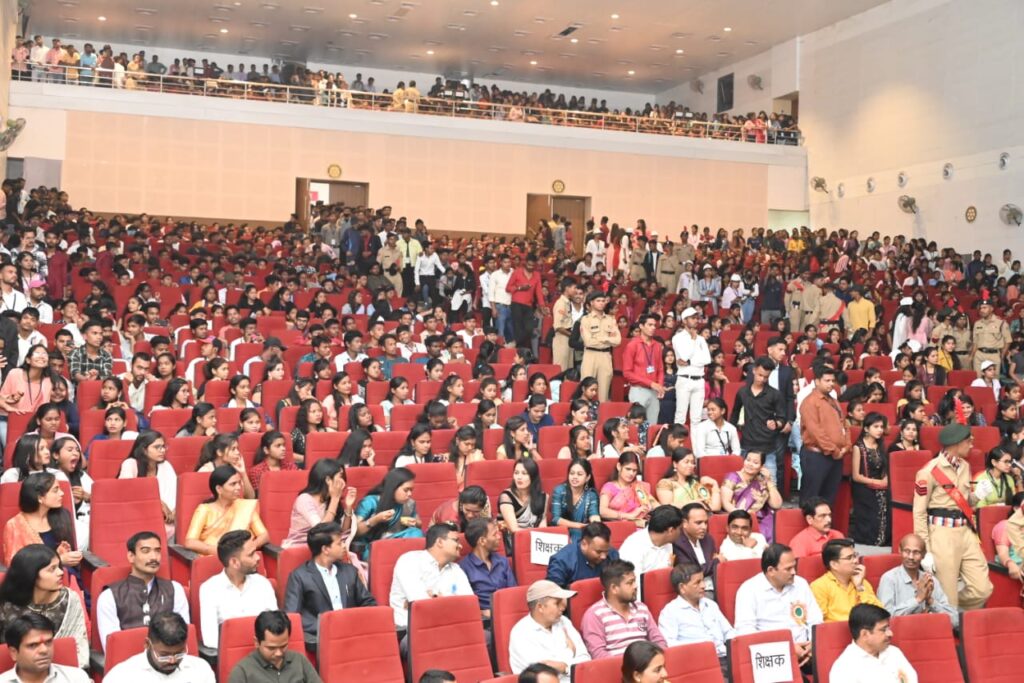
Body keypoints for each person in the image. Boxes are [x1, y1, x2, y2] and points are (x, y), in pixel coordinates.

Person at [912, 422, 993, 609]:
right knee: (948, 594)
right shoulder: (928, 472)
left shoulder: (965, 466)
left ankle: (941, 604)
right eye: (968, 441)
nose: (972, 444)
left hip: (966, 532)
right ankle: (946, 610)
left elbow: (964, 502)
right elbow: (919, 512)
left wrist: (978, 495)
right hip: (942, 534)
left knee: (982, 589)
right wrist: (925, 550)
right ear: (956, 443)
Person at [284, 521, 375, 646]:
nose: (344, 546)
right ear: (325, 549)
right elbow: (293, 616)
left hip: (353, 634)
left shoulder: (350, 571)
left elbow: (369, 603)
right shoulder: (300, 576)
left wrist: (355, 622)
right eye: (339, 543)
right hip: (323, 639)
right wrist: (328, 626)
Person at [734, 543, 823, 670]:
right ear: (771, 571)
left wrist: (813, 644)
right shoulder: (749, 590)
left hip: (807, 653)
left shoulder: (801, 584)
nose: (794, 572)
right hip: (772, 658)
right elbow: (745, 632)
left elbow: (816, 619)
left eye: (794, 567)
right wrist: (788, 648)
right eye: (788, 569)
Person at [96, 531, 189, 652]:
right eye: (146, 551)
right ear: (131, 556)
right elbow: (112, 648)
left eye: (157, 551)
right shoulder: (109, 596)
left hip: (170, 659)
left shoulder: (175, 589)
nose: (154, 557)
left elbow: (184, 636)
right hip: (128, 661)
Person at [0, 545, 88, 667]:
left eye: (59, 566)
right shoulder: (6, 603)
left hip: (63, 671)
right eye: (52, 569)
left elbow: (79, 648)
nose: (61, 572)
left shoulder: (69, 600)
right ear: (31, 574)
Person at [197, 530, 277, 649]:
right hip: (230, 655)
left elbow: (276, 627)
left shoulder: (263, 584)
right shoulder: (209, 589)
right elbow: (211, 639)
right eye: (251, 554)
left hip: (263, 654)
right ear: (234, 562)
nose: (258, 558)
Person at [390, 523, 473, 630]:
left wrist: (437, 601)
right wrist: (451, 603)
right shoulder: (410, 561)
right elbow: (422, 605)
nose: (460, 546)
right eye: (456, 541)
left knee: (485, 635)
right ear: (440, 542)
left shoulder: (456, 569)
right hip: (414, 630)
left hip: (450, 627)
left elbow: (469, 605)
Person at [657, 562, 734, 673]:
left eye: (703, 580)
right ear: (682, 588)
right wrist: (700, 648)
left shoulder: (710, 605)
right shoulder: (670, 612)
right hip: (697, 665)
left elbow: (729, 632)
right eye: (697, 582)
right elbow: (669, 645)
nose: (703, 586)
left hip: (725, 659)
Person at [580, 559, 665, 659]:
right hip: (615, 667)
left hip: (647, 664)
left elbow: (658, 641)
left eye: (634, 581)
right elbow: (598, 654)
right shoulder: (594, 615)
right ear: (614, 588)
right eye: (630, 583)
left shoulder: (641, 608)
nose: (635, 586)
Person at [508, 580, 590, 682]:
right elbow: (544, 675)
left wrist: (564, 667)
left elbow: (585, 659)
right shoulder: (521, 633)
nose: (563, 608)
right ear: (540, 607)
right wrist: (569, 652)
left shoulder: (564, 621)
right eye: (557, 603)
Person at [103, 612, 215, 682]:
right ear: (147, 644)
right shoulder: (121, 676)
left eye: (179, 653)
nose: (172, 661)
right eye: (164, 655)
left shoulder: (201, 670)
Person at [183, 465, 269, 556]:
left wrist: (249, 548)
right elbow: (190, 542)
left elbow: (264, 535)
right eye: (233, 484)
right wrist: (218, 552)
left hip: (242, 559)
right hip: (213, 558)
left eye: (239, 483)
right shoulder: (204, 510)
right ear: (219, 489)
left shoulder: (245, 507)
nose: (238, 487)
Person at [877, 533, 958, 628]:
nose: (911, 557)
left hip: (930, 632)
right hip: (901, 633)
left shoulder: (931, 580)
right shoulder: (889, 579)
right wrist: (917, 600)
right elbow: (884, 619)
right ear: (900, 551)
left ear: (923, 555)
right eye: (907, 551)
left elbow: (955, 621)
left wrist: (930, 601)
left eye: (916, 552)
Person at [730, 357, 788, 483]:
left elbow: (782, 418)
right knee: (742, 485)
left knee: (771, 484)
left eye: (766, 377)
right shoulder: (742, 392)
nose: (762, 379)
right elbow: (734, 414)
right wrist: (730, 434)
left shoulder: (775, 394)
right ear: (754, 370)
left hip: (768, 447)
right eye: (760, 375)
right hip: (746, 445)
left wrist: (776, 424)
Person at [799, 363, 851, 505]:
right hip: (817, 455)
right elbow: (815, 432)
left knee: (829, 498)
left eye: (833, 381)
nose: (831, 384)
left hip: (836, 455)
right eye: (827, 380)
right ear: (817, 381)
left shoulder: (833, 400)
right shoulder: (809, 402)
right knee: (811, 499)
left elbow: (844, 424)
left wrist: (846, 446)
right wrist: (834, 450)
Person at [828, 604, 918, 683]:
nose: (890, 633)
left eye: (888, 628)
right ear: (864, 634)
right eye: (883, 629)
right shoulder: (844, 668)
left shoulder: (894, 652)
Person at [227, 610, 323, 682]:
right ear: (257, 642)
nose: (278, 653)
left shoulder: (299, 660)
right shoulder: (242, 672)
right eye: (271, 648)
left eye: (283, 646)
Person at [354, 467, 424, 559]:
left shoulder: (409, 504)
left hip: (396, 541)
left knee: (416, 533)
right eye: (406, 490)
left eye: (411, 490)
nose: (409, 494)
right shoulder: (370, 502)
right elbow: (355, 531)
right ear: (393, 487)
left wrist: (415, 523)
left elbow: (419, 524)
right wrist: (375, 520)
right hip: (374, 546)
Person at [0, 613, 89, 683]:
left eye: (48, 642)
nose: (44, 650)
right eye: (33, 645)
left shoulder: (76, 677)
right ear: (14, 653)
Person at [811, 539, 883, 622]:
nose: (856, 561)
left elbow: (879, 614)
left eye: (855, 555)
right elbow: (819, 622)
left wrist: (859, 587)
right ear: (834, 564)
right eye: (849, 558)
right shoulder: (819, 586)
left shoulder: (862, 582)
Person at [459, 517, 516, 617]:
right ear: (482, 541)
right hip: (483, 619)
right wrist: (481, 612)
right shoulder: (463, 568)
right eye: (494, 534)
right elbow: (465, 605)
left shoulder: (502, 561)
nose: (499, 537)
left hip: (508, 614)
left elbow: (513, 592)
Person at [721, 451, 782, 544]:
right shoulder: (732, 477)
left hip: (761, 519)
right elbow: (725, 502)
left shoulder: (762, 481)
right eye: (748, 460)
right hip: (739, 517)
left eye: (755, 462)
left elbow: (777, 504)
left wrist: (769, 481)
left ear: (762, 467)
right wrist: (741, 516)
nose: (750, 464)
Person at [618, 505, 682, 592]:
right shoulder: (634, 546)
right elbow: (634, 585)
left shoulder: (668, 542)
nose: (681, 532)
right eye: (680, 529)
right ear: (671, 530)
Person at [850, 411, 891, 546]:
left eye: (881, 427)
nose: (880, 430)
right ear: (866, 429)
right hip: (863, 484)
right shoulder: (858, 447)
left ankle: (884, 538)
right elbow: (856, 476)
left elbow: (884, 467)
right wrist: (877, 482)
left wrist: (885, 480)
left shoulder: (880, 445)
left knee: (889, 497)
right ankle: (871, 538)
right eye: (876, 427)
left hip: (880, 483)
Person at [546, 522, 619, 588]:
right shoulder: (562, 561)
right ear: (584, 544)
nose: (604, 556)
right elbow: (552, 594)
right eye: (598, 552)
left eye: (606, 551)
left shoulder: (612, 554)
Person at [622, 314, 666, 424]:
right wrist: (651, 383)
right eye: (650, 325)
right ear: (641, 326)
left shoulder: (657, 345)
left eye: (654, 325)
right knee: (635, 425)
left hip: (654, 391)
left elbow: (660, 369)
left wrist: (660, 385)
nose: (653, 328)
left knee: (652, 425)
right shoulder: (632, 345)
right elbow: (627, 373)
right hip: (639, 390)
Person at [672, 307, 710, 428]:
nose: (696, 320)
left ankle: (695, 441)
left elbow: (707, 359)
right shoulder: (677, 338)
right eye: (692, 318)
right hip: (684, 379)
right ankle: (677, 440)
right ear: (684, 320)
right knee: (680, 416)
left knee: (696, 418)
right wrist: (693, 340)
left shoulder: (701, 339)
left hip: (699, 379)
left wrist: (690, 361)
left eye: (696, 318)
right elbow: (684, 356)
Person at [579, 290, 621, 402]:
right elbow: (588, 342)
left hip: (605, 355)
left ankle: (602, 412)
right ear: (591, 302)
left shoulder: (611, 320)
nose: (601, 303)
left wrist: (602, 339)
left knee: (604, 391)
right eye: (598, 301)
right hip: (590, 355)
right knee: (586, 389)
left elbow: (617, 341)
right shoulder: (586, 319)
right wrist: (608, 340)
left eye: (603, 301)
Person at [549, 458, 602, 542]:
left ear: (587, 477)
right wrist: (578, 525)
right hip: (561, 533)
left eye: (579, 474)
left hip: (583, 534)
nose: (575, 477)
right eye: (572, 473)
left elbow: (594, 515)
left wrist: (597, 525)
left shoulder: (591, 494)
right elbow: (555, 519)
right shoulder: (560, 491)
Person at [672, 503, 718, 597]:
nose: (704, 527)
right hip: (695, 593)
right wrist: (716, 561)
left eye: (706, 522)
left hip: (716, 587)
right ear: (684, 523)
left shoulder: (708, 539)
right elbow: (691, 573)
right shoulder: (677, 543)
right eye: (698, 523)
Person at [655, 448, 721, 511]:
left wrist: (715, 485)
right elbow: (667, 507)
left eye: (692, 462)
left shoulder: (695, 483)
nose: (690, 465)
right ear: (675, 464)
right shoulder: (665, 483)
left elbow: (715, 507)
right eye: (686, 462)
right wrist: (692, 504)